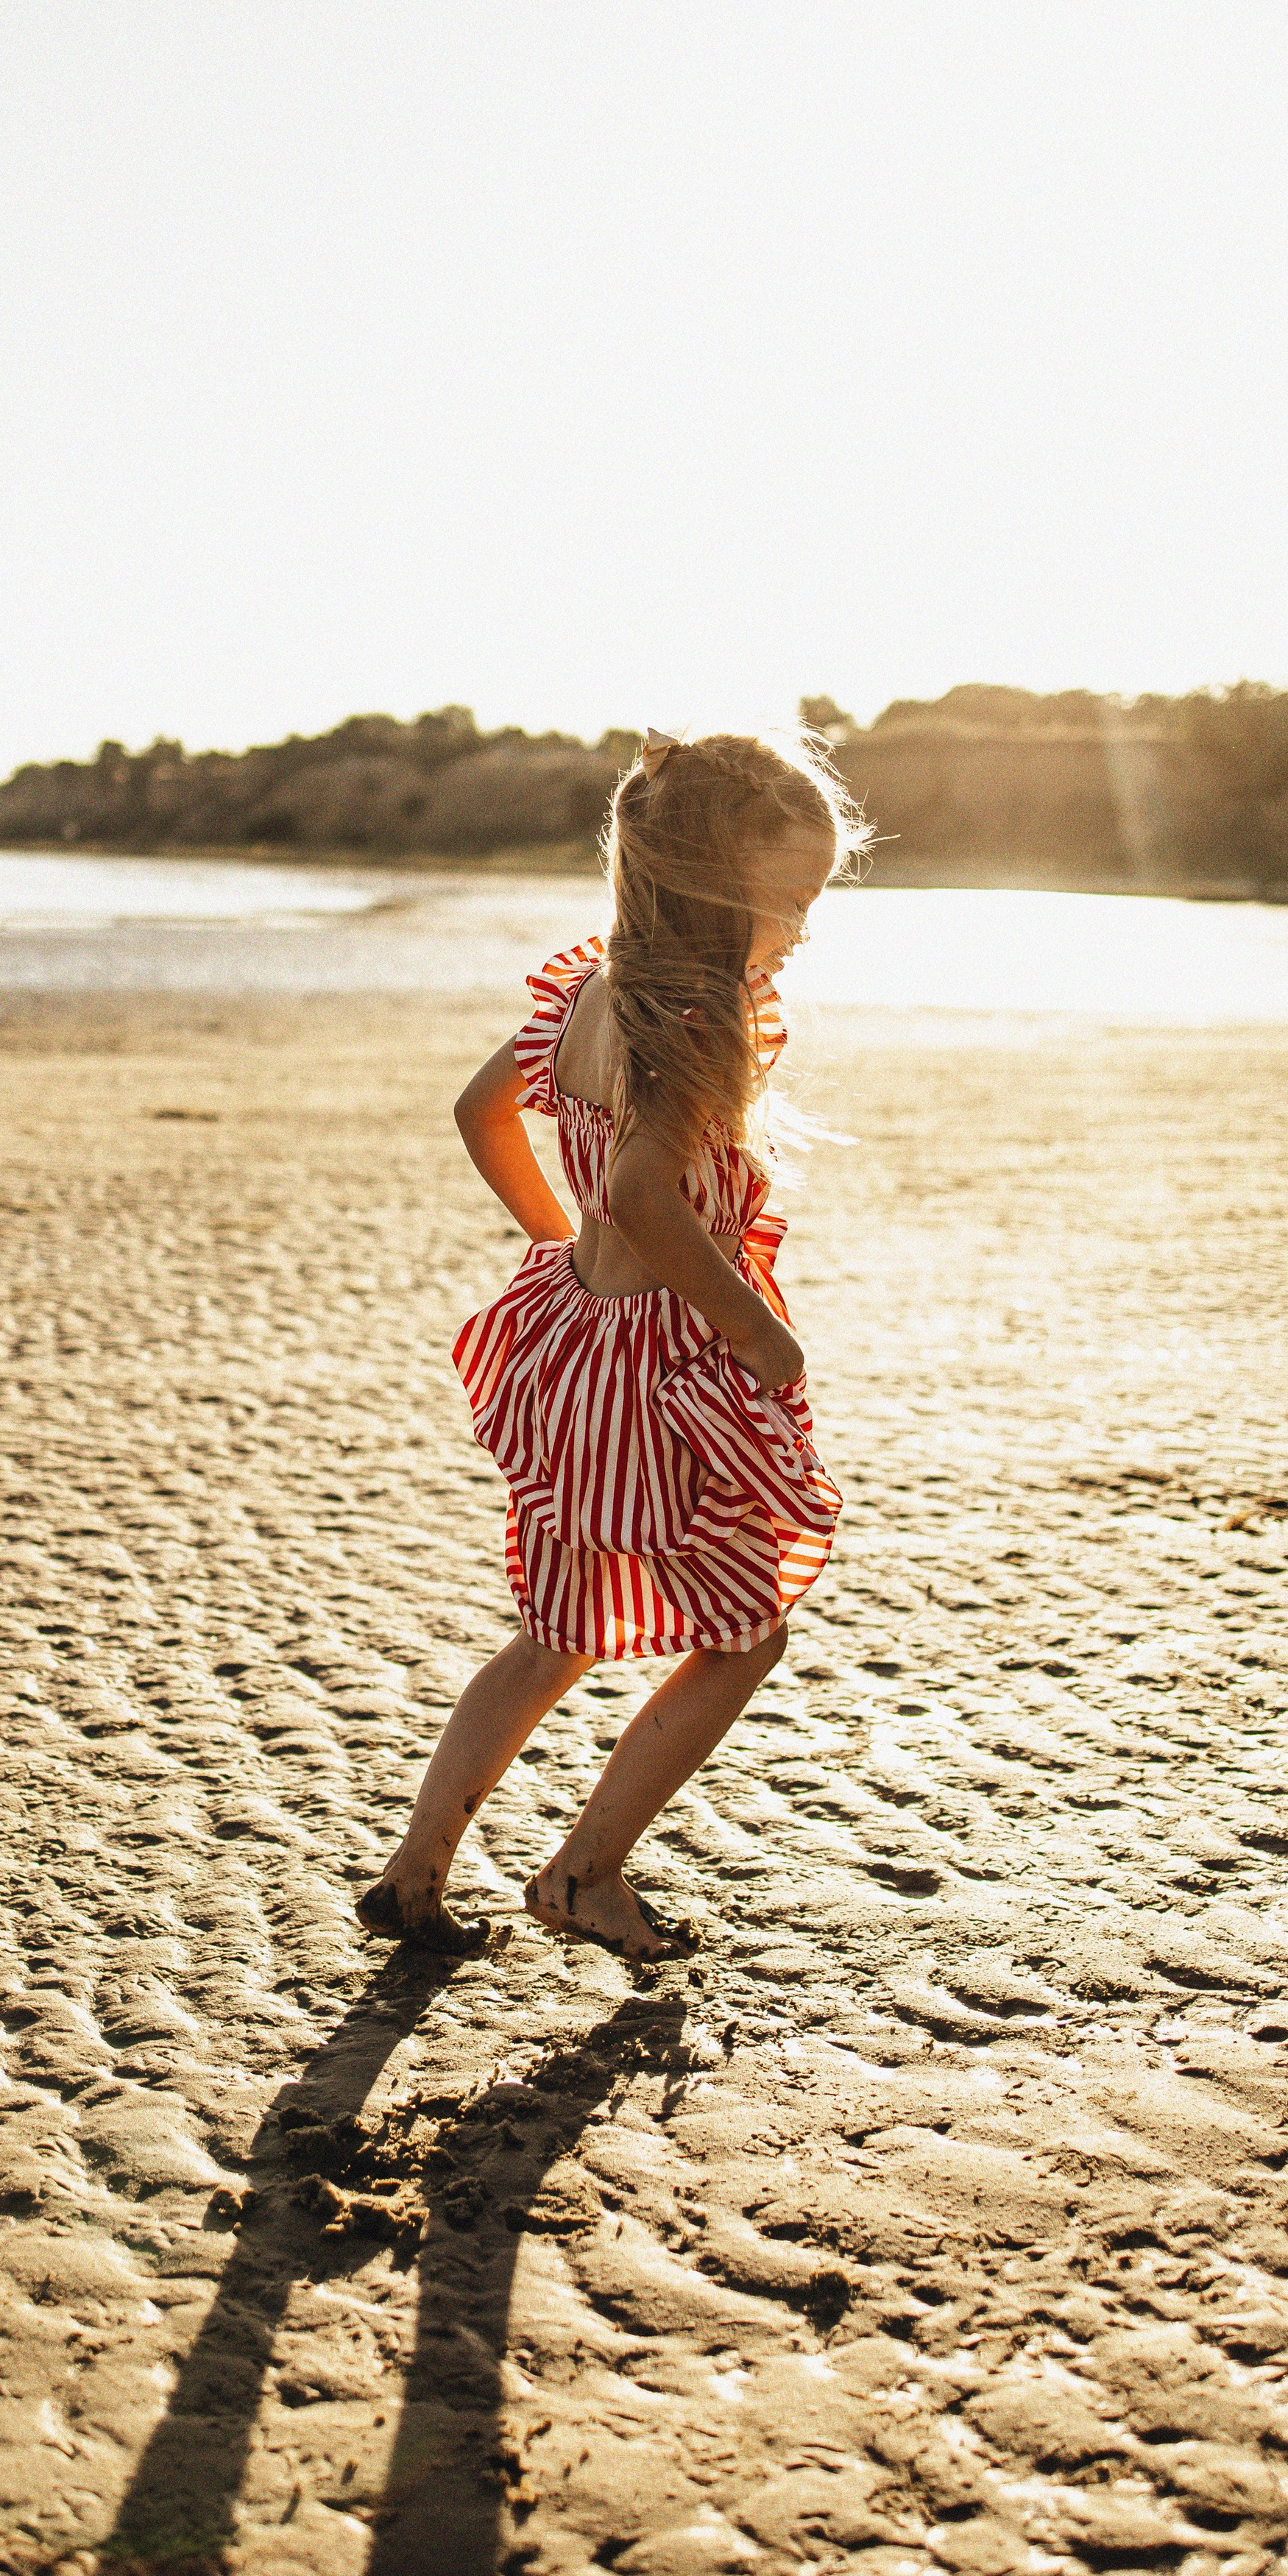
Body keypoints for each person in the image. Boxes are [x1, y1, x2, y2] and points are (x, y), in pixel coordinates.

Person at [357, 728, 867, 1962]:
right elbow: (644, 1189)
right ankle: (587, 1874)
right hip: (661, 1373)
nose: (801, 931)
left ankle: (415, 1874)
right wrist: (753, 1328)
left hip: (574, 1345)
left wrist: (553, 1237)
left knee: (560, 1626)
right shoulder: (702, 1016)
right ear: (711, 887)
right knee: (748, 1629)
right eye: (791, 901)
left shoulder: (591, 993)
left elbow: (482, 1112)